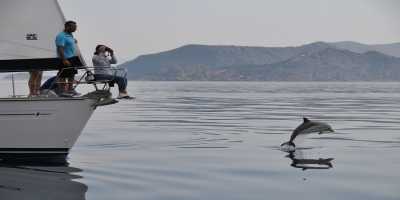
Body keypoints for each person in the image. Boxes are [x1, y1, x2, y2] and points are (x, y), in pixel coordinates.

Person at [55, 20, 81, 96]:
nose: (75, 28)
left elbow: (69, 43)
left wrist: (74, 41)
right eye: (73, 27)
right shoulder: (61, 35)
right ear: (67, 27)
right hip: (65, 58)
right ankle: (62, 91)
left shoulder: (70, 35)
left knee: (72, 74)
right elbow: (60, 48)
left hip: (72, 58)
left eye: (75, 27)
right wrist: (64, 59)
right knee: (63, 75)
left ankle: (70, 89)